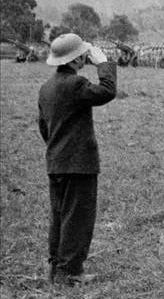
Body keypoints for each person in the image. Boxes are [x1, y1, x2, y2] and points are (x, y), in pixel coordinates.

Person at [38, 33, 117, 286]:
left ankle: (55, 268)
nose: (86, 56)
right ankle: (70, 273)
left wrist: (58, 147)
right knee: (78, 217)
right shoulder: (76, 84)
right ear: (76, 59)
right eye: (83, 53)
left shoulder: (46, 88)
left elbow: (43, 127)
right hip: (79, 164)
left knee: (59, 215)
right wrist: (103, 63)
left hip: (56, 162)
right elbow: (107, 91)